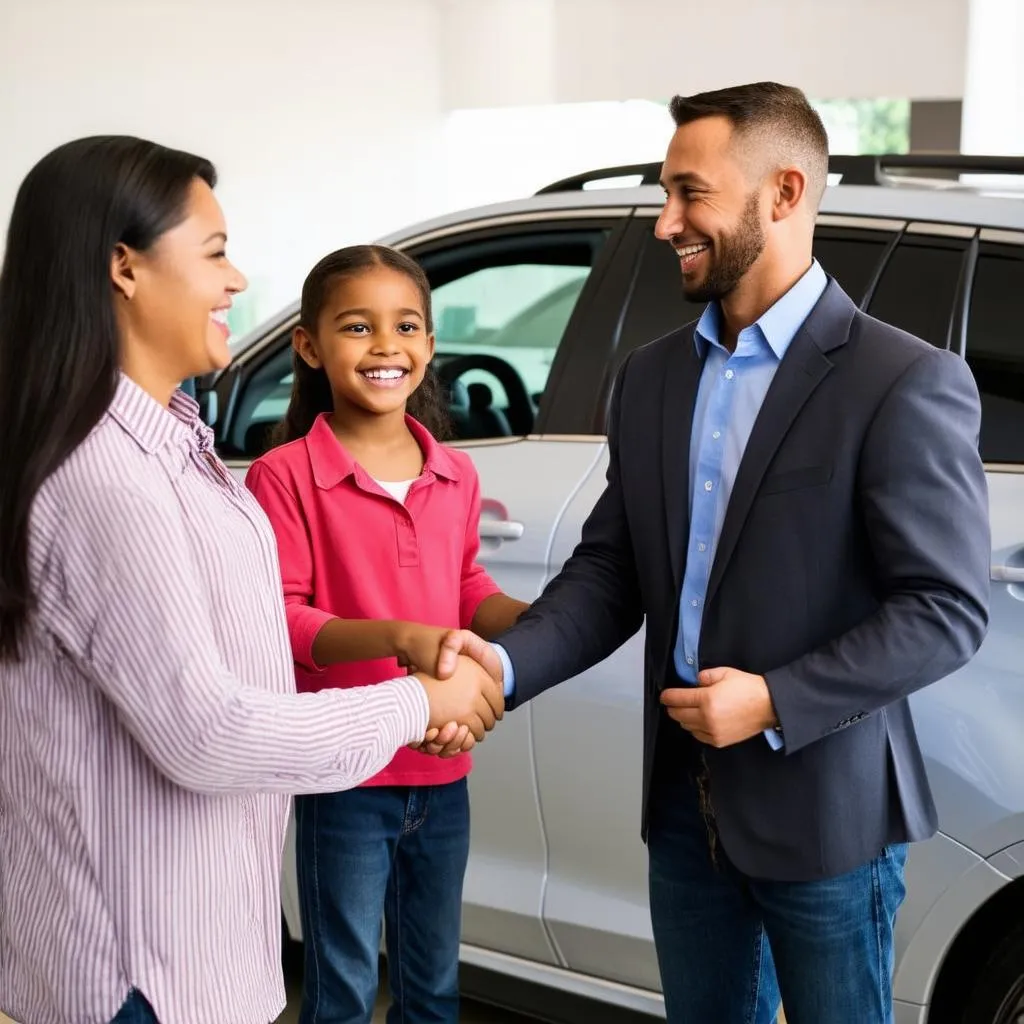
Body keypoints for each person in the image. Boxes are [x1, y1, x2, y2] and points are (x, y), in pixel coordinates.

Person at [434, 82, 991, 1024]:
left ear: (782, 193)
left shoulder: (902, 381)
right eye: (665, 193)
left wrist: (771, 700)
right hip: (683, 807)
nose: (665, 223)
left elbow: (944, 610)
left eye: (690, 193)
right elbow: (612, 572)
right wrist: (499, 664)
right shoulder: (651, 377)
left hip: (827, 813)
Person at [0, 137, 503, 1024]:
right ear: (124, 267)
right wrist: (418, 702)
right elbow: (209, 732)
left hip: (197, 951)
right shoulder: (108, 481)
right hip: (143, 971)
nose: (236, 282)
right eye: (215, 252)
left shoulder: (175, 448)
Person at [245, 244, 528, 1024]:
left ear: (430, 347)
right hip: (344, 774)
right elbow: (286, 620)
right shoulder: (284, 475)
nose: (385, 346)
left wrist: (530, 623)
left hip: (443, 773)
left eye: (406, 326)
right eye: (357, 327)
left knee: (433, 990)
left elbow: (467, 586)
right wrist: (398, 637)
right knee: (339, 993)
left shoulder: (456, 475)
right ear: (309, 346)